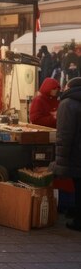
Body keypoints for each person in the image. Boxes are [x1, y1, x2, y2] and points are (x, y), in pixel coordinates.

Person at [55, 77, 81, 231]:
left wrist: (61, 159)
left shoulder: (67, 104)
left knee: (78, 187)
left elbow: (64, 134)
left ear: (68, 87)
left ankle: (78, 221)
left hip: (75, 153)